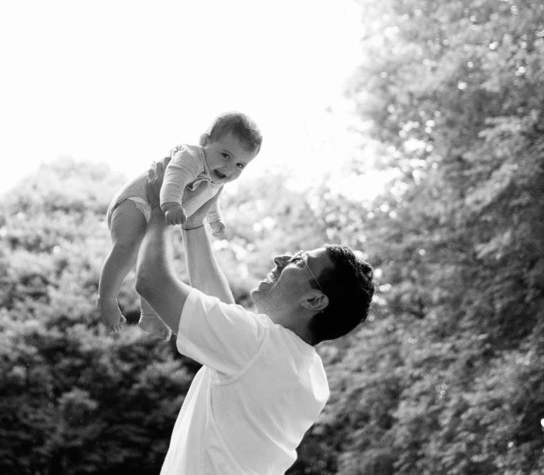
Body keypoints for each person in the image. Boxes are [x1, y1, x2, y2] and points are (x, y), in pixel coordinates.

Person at [136, 197, 375, 474]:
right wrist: (193, 227)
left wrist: (159, 207)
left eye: (300, 261)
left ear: (313, 301)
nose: (281, 258)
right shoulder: (310, 375)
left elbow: (151, 282)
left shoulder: (259, 346)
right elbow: (223, 315)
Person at [98, 111, 263, 337]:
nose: (230, 168)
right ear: (205, 142)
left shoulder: (218, 178)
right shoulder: (191, 157)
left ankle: (150, 316)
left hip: (157, 210)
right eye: (225, 155)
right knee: (128, 248)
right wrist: (171, 205)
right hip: (135, 201)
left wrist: (216, 221)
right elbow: (174, 178)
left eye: (240, 165)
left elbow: (211, 200)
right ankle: (107, 299)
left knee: (154, 259)